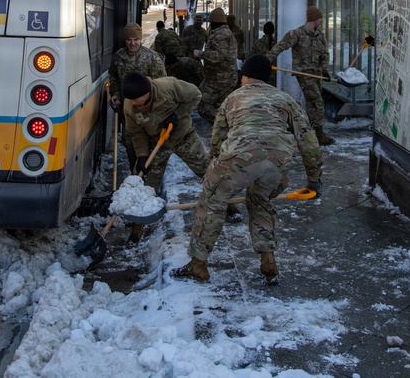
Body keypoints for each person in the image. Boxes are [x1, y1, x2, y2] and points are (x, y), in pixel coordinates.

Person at [171, 54, 323, 285]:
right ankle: (269, 262)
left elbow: (218, 138)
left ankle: (198, 264)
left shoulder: (233, 98)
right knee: (260, 200)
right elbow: (308, 140)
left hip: (240, 157)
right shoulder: (285, 99)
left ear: (246, 76)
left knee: (213, 200)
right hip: (278, 161)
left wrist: (214, 167)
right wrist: (314, 179)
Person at [121, 71, 240, 242]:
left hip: (184, 136)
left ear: (148, 92)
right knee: (145, 183)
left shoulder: (168, 86)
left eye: (136, 99)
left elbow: (195, 96)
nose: (134, 103)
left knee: (208, 171)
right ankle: (137, 227)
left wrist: (177, 114)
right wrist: (142, 156)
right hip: (157, 143)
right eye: (131, 100)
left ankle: (229, 204)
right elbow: (137, 133)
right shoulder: (129, 106)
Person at [268, 6, 336, 145]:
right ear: (314, 18)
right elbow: (282, 45)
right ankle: (319, 134)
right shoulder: (297, 34)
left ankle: (308, 131)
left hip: (316, 74)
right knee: (316, 100)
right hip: (303, 73)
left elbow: (325, 54)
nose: (322, 20)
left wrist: (324, 70)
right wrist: (267, 59)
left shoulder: (319, 35)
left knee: (313, 102)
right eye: (320, 18)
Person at [109, 22, 167, 176]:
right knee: (131, 145)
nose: (132, 43)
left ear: (140, 39)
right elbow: (113, 77)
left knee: (150, 146)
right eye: (129, 40)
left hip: (150, 112)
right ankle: (135, 178)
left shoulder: (152, 58)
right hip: (128, 112)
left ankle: (150, 181)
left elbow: (162, 84)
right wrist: (115, 94)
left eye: (136, 39)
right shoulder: (118, 57)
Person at [193, 7, 238, 124]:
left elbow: (219, 55)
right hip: (224, 77)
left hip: (219, 79)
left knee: (202, 103)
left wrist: (200, 53)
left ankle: (222, 126)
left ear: (213, 21)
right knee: (220, 106)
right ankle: (223, 131)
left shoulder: (220, 35)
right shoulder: (226, 33)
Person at [250, 21, 278, 85]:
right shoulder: (277, 44)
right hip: (274, 75)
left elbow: (251, 57)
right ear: (273, 31)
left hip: (260, 74)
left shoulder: (258, 43)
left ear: (263, 30)